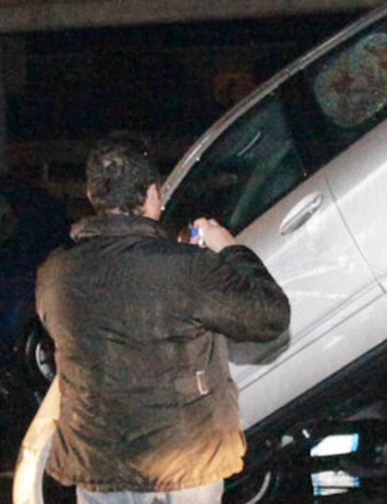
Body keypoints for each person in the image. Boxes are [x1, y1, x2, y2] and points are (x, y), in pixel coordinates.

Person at [35, 134, 291, 504]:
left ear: (93, 197)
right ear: (153, 194)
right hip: (183, 462)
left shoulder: (54, 273)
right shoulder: (187, 270)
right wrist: (229, 248)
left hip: (98, 461)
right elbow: (270, 316)